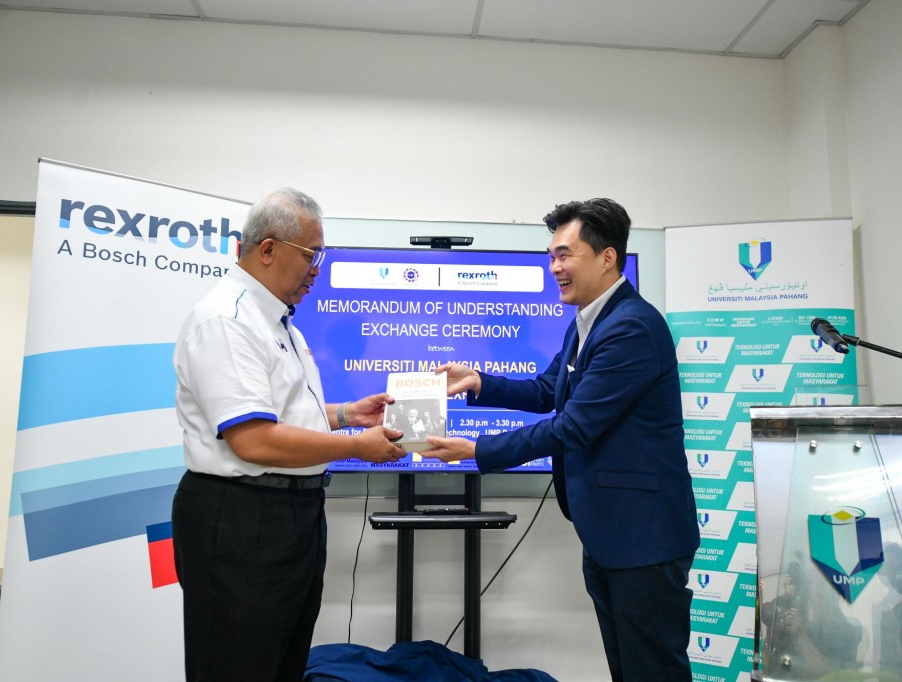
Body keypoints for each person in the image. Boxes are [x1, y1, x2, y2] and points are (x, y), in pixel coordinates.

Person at [422, 198, 700, 682]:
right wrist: (478, 381)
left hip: (645, 537)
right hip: (612, 532)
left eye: (565, 255)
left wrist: (477, 450)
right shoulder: (589, 322)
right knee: (628, 668)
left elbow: (572, 426)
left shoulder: (631, 327)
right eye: (552, 256)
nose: (555, 267)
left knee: (652, 670)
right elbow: (550, 390)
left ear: (607, 257)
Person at [171, 187, 405, 682]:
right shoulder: (227, 320)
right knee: (237, 665)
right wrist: (356, 449)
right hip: (241, 518)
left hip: (289, 515)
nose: (317, 269)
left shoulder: (279, 323)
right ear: (269, 249)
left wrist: (345, 415)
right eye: (310, 255)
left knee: (282, 662)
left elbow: (283, 412)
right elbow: (254, 440)